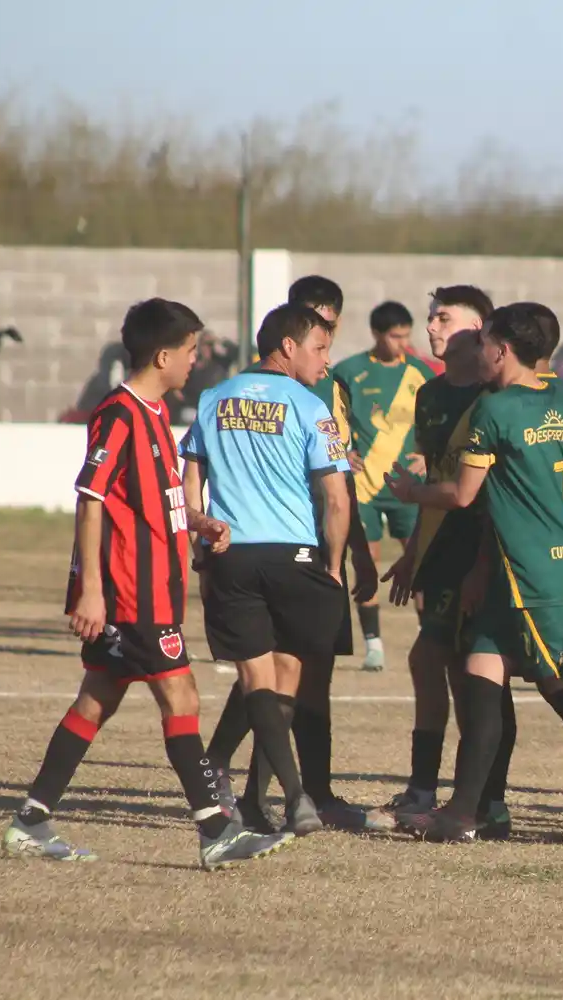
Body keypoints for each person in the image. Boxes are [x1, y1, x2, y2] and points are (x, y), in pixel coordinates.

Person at [2, 298, 291, 870]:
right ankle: (216, 832)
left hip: (154, 589)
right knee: (181, 697)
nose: (195, 361)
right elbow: (90, 500)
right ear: (163, 356)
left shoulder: (156, 413)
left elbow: (155, 500)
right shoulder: (119, 414)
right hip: (133, 595)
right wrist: (91, 591)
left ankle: (30, 821)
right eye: (190, 351)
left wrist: (198, 523)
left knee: (96, 700)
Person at [385, 305, 563, 846]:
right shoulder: (561, 398)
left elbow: (463, 494)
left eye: (484, 343)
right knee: (480, 677)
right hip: (523, 575)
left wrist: (410, 492)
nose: (479, 351)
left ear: (502, 350)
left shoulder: (494, 409)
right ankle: (465, 813)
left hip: (536, 580)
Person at [200, 276, 379, 833]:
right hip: (299, 554)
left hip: (232, 554)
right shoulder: (308, 401)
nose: (327, 357)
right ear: (289, 342)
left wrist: (199, 537)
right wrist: (336, 564)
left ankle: (252, 791)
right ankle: (295, 795)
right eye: (320, 344)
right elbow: (337, 496)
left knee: (265, 674)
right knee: (286, 677)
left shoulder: (214, 397)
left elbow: (187, 481)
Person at [366, 284, 495, 831]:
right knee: (432, 661)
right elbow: (439, 478)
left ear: (477, 330)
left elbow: (489, 494)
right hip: (442, 548)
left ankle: (470, 798)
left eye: (443, 318)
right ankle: (435, 793)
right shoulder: (432, 394)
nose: (431, 327)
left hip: (482, 549)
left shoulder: (494, 396)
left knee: (468, 672)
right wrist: (415, 551)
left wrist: (481, 566)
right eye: (431, 318)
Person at [334, 301, 437, 672]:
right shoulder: (349, 372)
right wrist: (342, 451)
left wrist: (427, 455)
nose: (402, 343)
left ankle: (430, 637)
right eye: (395, 336)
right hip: (364, 487)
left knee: (421, 563)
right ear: (377, 334)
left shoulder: (421, 373)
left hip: (409, 487)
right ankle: (373, 645)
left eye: (407, 336)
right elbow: (331, 420)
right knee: (367, 563)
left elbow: (435, 424)